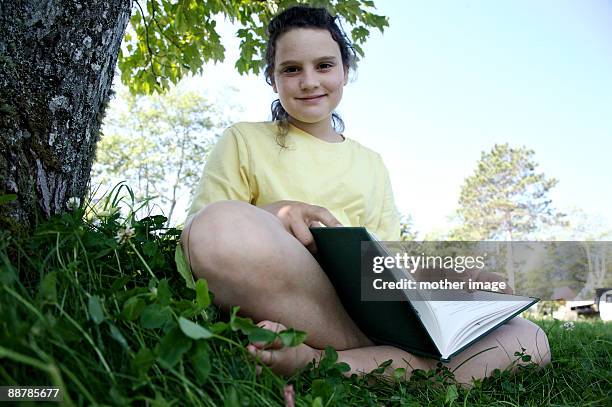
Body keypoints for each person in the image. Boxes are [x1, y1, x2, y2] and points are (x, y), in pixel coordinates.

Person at [181, 5, 550, 383]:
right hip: (291, 295)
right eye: (291, 69)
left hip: (370, 307)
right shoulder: (243, 139)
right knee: (218, 227)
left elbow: (392, 263)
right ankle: (387, 361)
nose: (309, 81)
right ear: (273, 80)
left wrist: (458, 276)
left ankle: (322, 360)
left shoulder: (370, 163)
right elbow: (195, 236)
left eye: (324, 66)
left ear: (345, 71)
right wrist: (276, 212)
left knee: (530, 338)